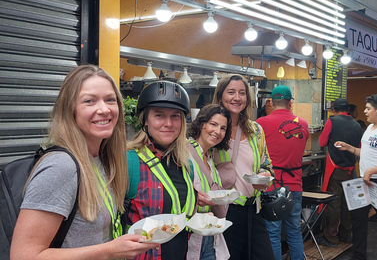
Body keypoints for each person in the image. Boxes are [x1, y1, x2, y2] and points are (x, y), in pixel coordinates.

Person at [11, 65, 158, 259]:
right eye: (89, 101)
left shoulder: (100, 160)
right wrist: (109, 251)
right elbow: (23, 256)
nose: (104, 109)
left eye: (110, 100)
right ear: (70, 110)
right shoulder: (61, 167)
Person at [126, 80, 197, 260]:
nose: (168, 123)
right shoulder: (130, 161)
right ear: (145, 120)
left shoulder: (184, 162)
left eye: (175, 116)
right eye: (159, 115)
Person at [212, 74, 275, 260]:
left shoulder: (256, 130)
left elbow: (267, 165)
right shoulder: (211, 129)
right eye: (231, 92)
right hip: (224, 213)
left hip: (252, 210)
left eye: (242, 93)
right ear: (221, 96)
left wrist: (265, 176)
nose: (236, 98)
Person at [335, 94, 377, 260]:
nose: (364, 111)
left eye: (368, 108)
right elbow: (365, 153)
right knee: (357, 218)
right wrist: (350, 148)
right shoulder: (370, 129)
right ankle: (359, 255)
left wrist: (371, 171)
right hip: (365, 181)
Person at [256, 85, 309, 260]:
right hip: (295, 183)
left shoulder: (261, 123)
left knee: (272, 232)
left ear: (271, 102)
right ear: (290, 102)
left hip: (271, 184)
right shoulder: (302, 123)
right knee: (294, 230)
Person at [187, 104, 232, 260]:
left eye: (223, 128)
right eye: (213, 124)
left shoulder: (210, 158)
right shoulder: (185, 153)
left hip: (211, 236)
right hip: (190, 238)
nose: (217, 132)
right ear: (202, 124)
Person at [317, 98, 362, 248]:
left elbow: (322, 143)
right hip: (350, 168)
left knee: (334, 203)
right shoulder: (356, 125)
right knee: (347, 203)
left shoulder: (332, 122)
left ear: (334, 109)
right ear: (348, 109)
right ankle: (346, 235)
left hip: (335, 169)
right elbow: (359, 148)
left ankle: (331, 237)